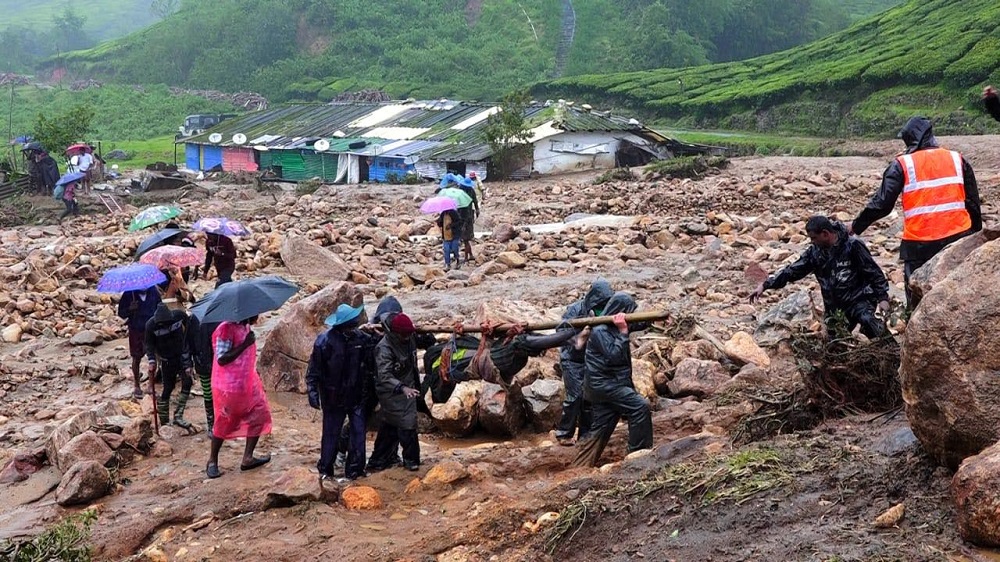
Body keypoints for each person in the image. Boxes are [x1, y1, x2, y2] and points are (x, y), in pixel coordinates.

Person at [849, 117, 981, 310]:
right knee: (959, 294)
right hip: (958, 236)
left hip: (919, 243)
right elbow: (973, 202)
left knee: (916, 298)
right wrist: (977, 236)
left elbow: (882, 204)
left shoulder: (902, 164)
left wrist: (855, 226)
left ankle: (914, 324)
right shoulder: (957, 159)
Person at [751, 216, 890, 339]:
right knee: (833, 344)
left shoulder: (852, 246)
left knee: (869, 322)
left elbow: (873, 271)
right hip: (834, 307)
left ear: (825, 234)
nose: (812, 242)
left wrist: (883, 298)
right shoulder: (814, 253)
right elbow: (792, 271)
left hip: (859, 300)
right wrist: (766, 284)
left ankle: (893, 353)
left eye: (814, 238)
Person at [572, 293, 653, 468]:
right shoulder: (601, 331)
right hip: (605, 385)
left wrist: (656, 320)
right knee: (640, 407)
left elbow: (637, 323)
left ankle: (580, 466)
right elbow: (614, 356)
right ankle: (639, 455)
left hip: (606, 385)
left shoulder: (613, 326)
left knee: (601, 427)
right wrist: (623, 333)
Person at [307, 304, 377, 481]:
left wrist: (376, 334)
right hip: (332, 397)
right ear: (341, 325)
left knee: (358, 433)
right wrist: (312, 391)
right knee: (331, 434)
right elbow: (314, 369)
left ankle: (355, 470)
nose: (354, 326)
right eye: (351, 324)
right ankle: (325, 469)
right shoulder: (324, 341)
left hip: (357, 395)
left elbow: (371, 364)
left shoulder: (362, 339)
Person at [206, 315, 272, 478]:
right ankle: (212, 460)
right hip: (228, 386)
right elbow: (222, 359)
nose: (258, 316)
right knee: (225, 421)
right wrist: (244, 344)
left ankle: (248, 458)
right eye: (255, 314)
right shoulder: (225, 329)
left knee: (259, 415)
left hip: (247, 382)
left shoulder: (245, 326)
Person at [555, 279, 614, 446]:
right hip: (571, 358)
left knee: (590, 398)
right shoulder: (575, 309)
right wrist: (583, 332)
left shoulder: (608, 310)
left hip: (592, 359)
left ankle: (585, 435)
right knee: (575, 396)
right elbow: (561, 331)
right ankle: (564, 433)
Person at [367, 313, 422, 472]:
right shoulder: (383, 348)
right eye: (404, 335)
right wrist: (402, 388)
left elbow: (426, 341)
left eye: (409, 335)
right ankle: (410, 460)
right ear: (395, 333)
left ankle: (381, 459)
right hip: (390, 390)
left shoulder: (409, 337)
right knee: (406, 423)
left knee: (391, 425)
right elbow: (384, 375)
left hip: (408, 386)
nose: (407, 338)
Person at [144, 304, 196, 430]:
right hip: (166, 360)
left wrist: (188, 348)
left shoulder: (179, 316)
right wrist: (152, 360)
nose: (165, 326)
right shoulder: (151, 325)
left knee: (188, 382)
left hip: (181, 356)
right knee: (168, 387)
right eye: (162, 324)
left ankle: (178, 415)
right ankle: (164, 420)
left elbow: (189, 327)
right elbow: (149, 345)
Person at [117, 287, 161, 399]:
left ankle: (151, 385)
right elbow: (121, 313)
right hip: (135, 329)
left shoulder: (154, 292)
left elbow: (160, 308)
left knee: (153, 357)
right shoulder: (129, 293)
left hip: (151, 329)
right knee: (136, 358)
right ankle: (137, 385)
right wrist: (130, 309)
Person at [188, 314, 220, 435]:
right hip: (202, 362)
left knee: (218, 394)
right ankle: (211, 424)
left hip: (217, 363)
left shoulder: (220, 318)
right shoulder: (194, 319)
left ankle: (219, 423)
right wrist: (188, 363)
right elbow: (188, 343)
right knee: (208, 394)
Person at [457, 177, 481, 263]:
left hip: (464, 218)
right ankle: (470, 255)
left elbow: (463, 210)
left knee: (465, 239)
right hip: (470, 216)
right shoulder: (470, 190)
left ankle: (466, 257)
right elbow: (475, 201)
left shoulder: (461, 192)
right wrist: (477, 210)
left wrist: (463, 224)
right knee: (466, 239)